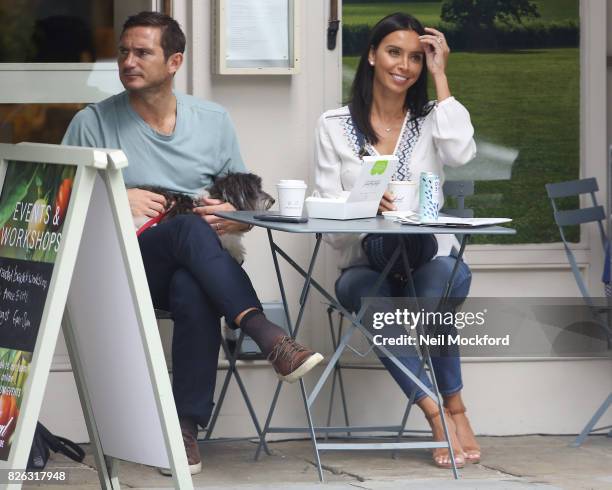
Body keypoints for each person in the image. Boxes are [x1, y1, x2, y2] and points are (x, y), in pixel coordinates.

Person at [62, 11, 323, 475]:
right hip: (126, 266)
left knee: (192, 286)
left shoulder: (212, 121)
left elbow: (245, 208)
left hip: (195, 268)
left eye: (142, 52)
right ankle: (267, 335)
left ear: (174, 61)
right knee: (185, 231)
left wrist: (230, 215)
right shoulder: (93, 122)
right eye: (124, 51)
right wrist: (115, 199)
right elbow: (59, 208)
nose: (128, 61)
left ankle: (183, 430)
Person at [313, 12, 479, 469]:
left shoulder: (430, 119)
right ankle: (438, 412)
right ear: (371, 55)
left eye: (415, 57)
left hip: (429, 260)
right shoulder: (332, 125)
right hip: (366, 261)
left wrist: (442, 73)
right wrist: (366, 204)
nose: (404, 65)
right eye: (393, 52)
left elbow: (462, 152)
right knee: (361, 293)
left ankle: (456, 409)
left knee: (438, 285)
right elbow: (327, 214)